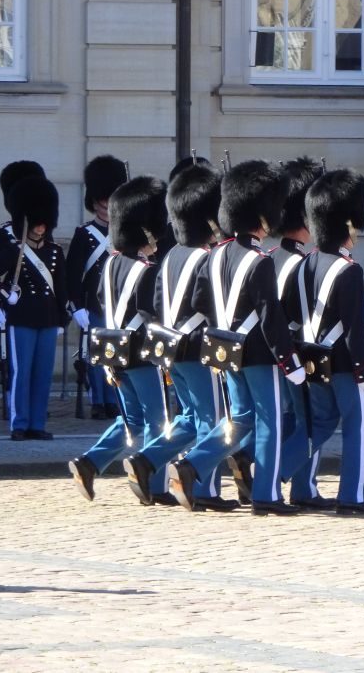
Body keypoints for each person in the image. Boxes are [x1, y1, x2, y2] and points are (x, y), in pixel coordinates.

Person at [167, 160, 306, 516]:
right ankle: (266, 495)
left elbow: (199, 301)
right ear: (263, 217)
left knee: (238, 419)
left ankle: (192, 464)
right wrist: (290, 362)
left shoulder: (213, 256)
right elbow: (271, 318)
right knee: (268, 423)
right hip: (258, 354)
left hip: (224, 349)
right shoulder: (259, 260)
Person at [122, 163, 239, 512]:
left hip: (172, 348)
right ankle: (204, 489)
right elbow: (211, 304)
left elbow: (156, 303)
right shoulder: (208, 258)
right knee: (214, 420)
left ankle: (146, 460)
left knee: (189, 418)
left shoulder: (171, 254)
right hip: (199, 348)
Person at [282, 168, 364, 514]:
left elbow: (290, 314)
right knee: (357, 426)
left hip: (309, 356)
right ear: (349, 225)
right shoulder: (349, 269)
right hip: (342, 362)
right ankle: (353, 496)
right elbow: (354, 328)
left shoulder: (302, 264)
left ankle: (273, 470)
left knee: (318, 423)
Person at [68, 177, 171, 503]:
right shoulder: (146, 269)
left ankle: (90, 462)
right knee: (158, 420)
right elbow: (154, 315)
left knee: (131, 420)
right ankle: (155, 486)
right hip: (141, 354)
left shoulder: (111, 263)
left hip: (113, 351)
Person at [272, 156, 336, 510]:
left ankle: (303, 485)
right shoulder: (302, 262)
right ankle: (288, 479)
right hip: (298, 352)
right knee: (313, 420)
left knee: (297, 420)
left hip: (279, 352)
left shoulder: (274, 256)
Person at [0, 175, 67, 440]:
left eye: (44, 224)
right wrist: (5, 296)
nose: (40, 229)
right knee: (22, 374)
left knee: (43, 375)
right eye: (36, 223)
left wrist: (63, 320)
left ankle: (37, 424)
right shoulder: (14, 251)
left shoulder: (54, 252)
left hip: (48, 318)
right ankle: (19, 424)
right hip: (21, 318)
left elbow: (62, 289)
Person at [66, 155, 128, 420]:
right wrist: (77, 306)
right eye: (101, 201)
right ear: (93, 202)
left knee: (116, 353)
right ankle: (98, 401)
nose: (105, 206)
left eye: (109, 201)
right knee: (95, 357)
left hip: (120, 303)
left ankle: (114, 399)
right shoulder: (84, 234)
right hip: (94, 305)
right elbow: (72, 275)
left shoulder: (125, 234)